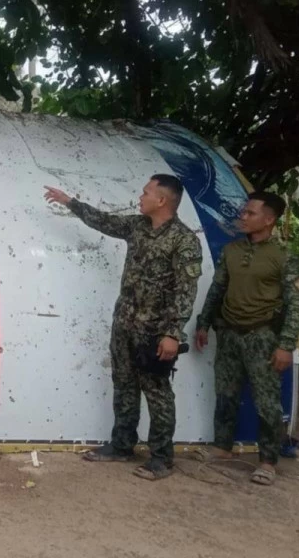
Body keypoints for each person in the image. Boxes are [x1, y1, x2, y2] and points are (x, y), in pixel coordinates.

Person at [44, 176, 203, 481]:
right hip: (126, 324)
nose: (140, 197)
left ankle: (161, 458)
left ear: (162, 201)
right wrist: (69, 202)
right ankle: (122, 445)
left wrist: (172, 333)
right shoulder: (138, 226)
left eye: (146, 193)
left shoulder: (184, 241)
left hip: (155, 333)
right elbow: (104, 222)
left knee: (157, 393)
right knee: (124, 386)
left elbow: (186, 291)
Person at [194, 191, 299, 486]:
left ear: (269, 219)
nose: (243, 217)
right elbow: (217, 289)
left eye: (250, 213)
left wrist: (285, 346)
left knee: (267, 402)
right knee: (225, 394)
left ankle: (267, 462)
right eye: (244, 212)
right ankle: (222, 447)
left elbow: (296, 304)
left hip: (263, 337)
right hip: (230, 333)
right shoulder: (232, 250)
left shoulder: (285, 257)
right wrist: (204, 322)